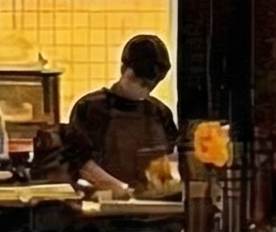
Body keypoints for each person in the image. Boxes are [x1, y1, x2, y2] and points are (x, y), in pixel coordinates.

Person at [42, 34, 180, 198]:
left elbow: (169, 159)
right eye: (136, 79)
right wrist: (119, 189)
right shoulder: (91, 108)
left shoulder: (160, 112)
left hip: (151, 203)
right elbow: (81, 162)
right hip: (103, 201)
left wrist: (165, 184)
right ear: (123, 69)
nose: (142, 87)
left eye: (149, 84)